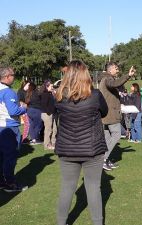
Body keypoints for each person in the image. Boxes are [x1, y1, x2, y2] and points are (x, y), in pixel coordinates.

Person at [54, 60, 108, 225]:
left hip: (69, 148)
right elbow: (104, 113)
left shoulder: (59, 96)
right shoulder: (95, 95)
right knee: (93, 188)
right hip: (91, 148)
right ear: (86, 74)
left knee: (67, 188)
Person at [99, 61, 136, 171]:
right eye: (116, 68)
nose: (118, 70)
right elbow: (115, 84)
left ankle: (105, 159)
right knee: (117, 134)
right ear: (110, 70)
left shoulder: (105, 79)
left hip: (106, 114)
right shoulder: (107, 79)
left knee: (108, 138)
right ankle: (103, 159)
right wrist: (128, 76)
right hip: (110, 114)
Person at [0, 66, 28, 192]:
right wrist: (24, 108)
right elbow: (14, 110)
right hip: (10, 127)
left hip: (1, 126)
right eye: (13, 75)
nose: (14, 77)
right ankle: (10, 183)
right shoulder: (8, 92)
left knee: (2, 156)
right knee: (10, 156)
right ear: (7, 77)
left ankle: (2, 181)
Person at [40, 80, 57, 150]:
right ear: (47, 87)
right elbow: (44, 105)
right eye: (51, 86)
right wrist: (49, 112)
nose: (52, 87)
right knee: (48, 130)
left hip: (51, 113)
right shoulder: (45, 94)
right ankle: (46, 145)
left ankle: (52, 143)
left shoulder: (50, 93)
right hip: (47, 114)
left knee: (53, 129)